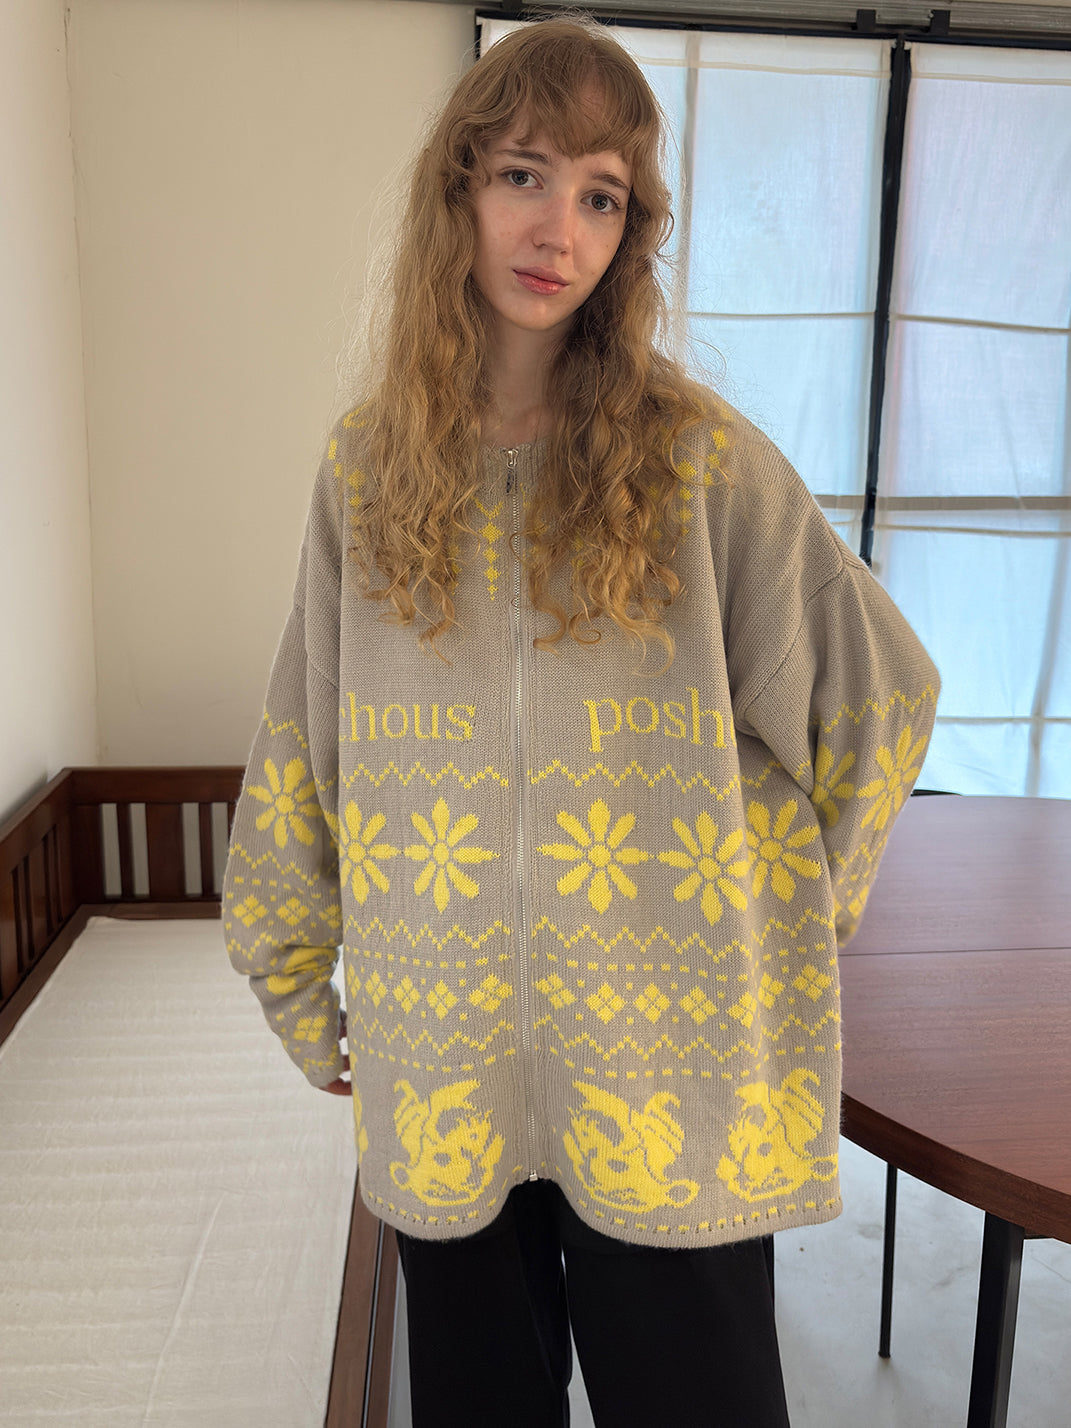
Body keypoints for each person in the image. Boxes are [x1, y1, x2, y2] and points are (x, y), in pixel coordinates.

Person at [223, 18, 939, 1427]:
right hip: (444, 1051)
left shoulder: (696, 463)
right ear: (459, 188)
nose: (561, 230)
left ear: (631, 230)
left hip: (667, 1067)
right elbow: (308, 739)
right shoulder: (367, 472)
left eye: (603, 195)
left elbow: (880, 692)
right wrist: (295, 975)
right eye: (526, 176)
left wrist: (789, 909)